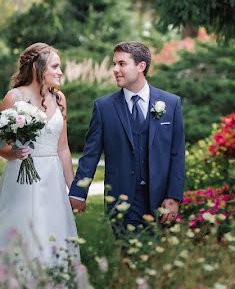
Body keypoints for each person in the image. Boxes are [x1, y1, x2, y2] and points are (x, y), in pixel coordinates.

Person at [69, 41, 185, 235]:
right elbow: (90, 156)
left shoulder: (171, 104)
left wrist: (173, 196)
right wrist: (78, 193)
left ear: (141, 66)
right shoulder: (103, 107)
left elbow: (177, 153)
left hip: (160, 199)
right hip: (121, 200)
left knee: (159, 261)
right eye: (114, 64)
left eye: (122, 64)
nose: (115, 69)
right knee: (126, 259)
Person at [0, 42, 80, 268]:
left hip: (52, 179)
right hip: (22, 179)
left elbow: (63, 148)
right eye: (55, 66)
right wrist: (15, 152)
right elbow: (2, 147)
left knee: (52, 231)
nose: (60, 71)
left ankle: (53, 283)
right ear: (38, 68)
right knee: (21, 230)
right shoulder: (14, 98)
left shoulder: (60, 99)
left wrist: (73, 188)